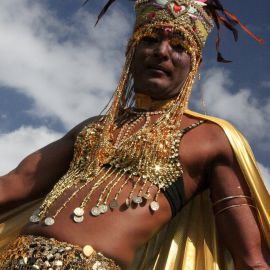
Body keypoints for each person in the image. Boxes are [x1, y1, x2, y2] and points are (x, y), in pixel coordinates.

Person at [0, 0, 269, 269]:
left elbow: (251, 260)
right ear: (132, 50)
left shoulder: (210, 138)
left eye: (179, 46)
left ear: (194, 64)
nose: (162, 52)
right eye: (150, 39)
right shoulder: (92, 128)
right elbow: (18, 182)